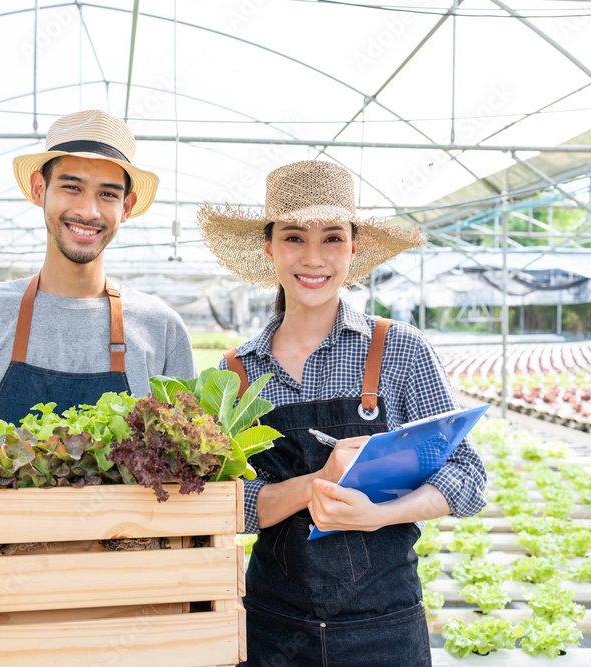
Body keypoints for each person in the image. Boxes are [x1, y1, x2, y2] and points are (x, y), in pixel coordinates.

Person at [0, 109, 197, 644]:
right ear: (39, 188)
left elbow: (193, 488)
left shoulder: (160, 328)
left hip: (127, 610)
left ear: (129, 205)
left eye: (108, 194)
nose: (88, 210)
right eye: (70, 186)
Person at [196, 160, 486, 666]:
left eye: (332, 238)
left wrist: (380, 515)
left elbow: (467, 478)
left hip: (384, 627)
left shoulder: (399, 350)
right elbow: (231, 506)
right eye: (293, 237)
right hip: (273, 628)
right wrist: (316, 484)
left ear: (354, 249)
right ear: (269, 248)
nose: (313, 257)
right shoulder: (235, 374)